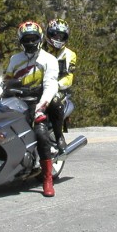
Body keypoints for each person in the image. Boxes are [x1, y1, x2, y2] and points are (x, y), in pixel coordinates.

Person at [4, 21, 59, 197]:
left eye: (32, 38)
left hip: (38, 101)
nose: (29, 42)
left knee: (41, 134)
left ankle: (47, 179)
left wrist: (41, 106)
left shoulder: (49, 60)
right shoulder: (15, 59)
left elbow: (51, 85)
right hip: (17, 101)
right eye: (26, 39)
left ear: (40, 38)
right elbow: (6, 80)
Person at [44, 18, 77, 153]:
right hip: (39, 86)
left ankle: (59, 137)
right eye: (55, 34)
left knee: (55, 100)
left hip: (59, 88)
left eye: (61, 36)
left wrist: (55, 85)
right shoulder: (41, 50)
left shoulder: (70, 54)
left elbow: (69, 77)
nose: (58, 38)